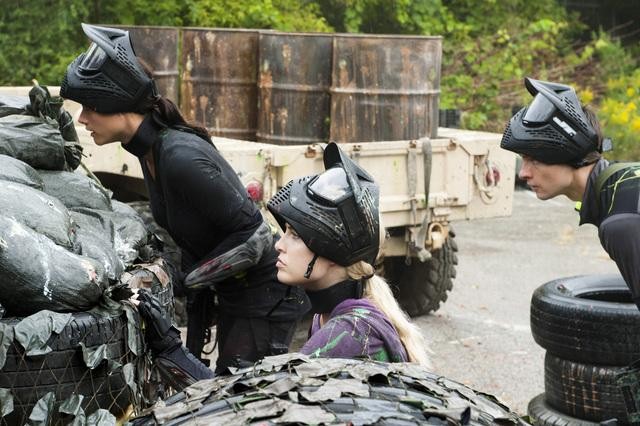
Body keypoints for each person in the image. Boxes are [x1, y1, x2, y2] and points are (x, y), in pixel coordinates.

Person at [61, 23, 309, 373]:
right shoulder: (150, 152)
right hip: (236, 296)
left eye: (90, 107)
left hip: (263, 301)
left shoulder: (178, 155)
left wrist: (186, 280)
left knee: (242, 398)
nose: (82, 118)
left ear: (117, 104)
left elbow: (253, 238)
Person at [132, 142, 429, 392]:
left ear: (331, 250)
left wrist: (171, 349)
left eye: (296, 235)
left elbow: (247, 410)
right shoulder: (329, 317)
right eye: (285, 232)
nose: (279, 245)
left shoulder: (348, 333)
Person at [501, 77, 640, 309]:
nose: (523, 173)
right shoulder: (623, 182)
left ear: (565, 153)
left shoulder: (620, 224)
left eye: (533, 159)